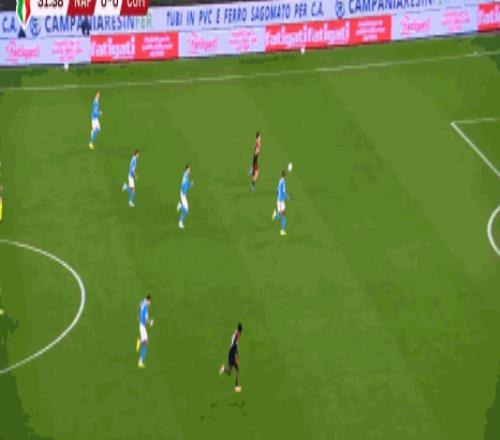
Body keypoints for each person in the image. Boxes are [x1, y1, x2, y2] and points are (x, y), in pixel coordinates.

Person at [219, 323, 243, 393]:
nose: (240, 333)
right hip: (232, 353)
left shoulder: (235, 334)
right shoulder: (237, 334)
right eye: (240, 331)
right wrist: (236, 355)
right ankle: (224, 368)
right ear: (239, 330)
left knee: (233, 371)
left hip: (232, 352)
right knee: (233, 371)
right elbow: (234, 345)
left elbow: (234, 345)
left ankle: (236, 386)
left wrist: (236, 354)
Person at [136, 295, 153, 369]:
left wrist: (139, 314)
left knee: (145, 342)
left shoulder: (143, 301)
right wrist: (150, 322)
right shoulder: (146, 308)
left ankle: (140, 341)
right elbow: (146, 318)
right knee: (145, 343)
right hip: (142, 326)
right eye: (150, 302)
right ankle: (140, 362)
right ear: (148, 300)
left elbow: (140, 304)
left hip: (141, 326)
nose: (150, 303)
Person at [272, 171, 289, 236]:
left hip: (280, 200)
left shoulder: (280, 180)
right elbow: (284, 192)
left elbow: (277, 190)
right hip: (280, 201)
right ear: (284, 176)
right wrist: (287, 197)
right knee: (284, 216)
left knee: (279, 217)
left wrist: (278, 194)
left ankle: (276, 214)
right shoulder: (283, 182)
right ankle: (282, 231)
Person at [177, 164, 193, 229]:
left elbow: (187, 186)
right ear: (186, 169)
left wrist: (190, 185)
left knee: (185, 210)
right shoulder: (185, 176)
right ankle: (180, 205)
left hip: (184, 194)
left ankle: (180, 223)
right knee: (186, 210)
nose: (190, 170)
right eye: (189, 169)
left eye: (190, 169)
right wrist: (184, 192)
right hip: (183, 195)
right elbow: (183, 185)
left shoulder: (186, 176)